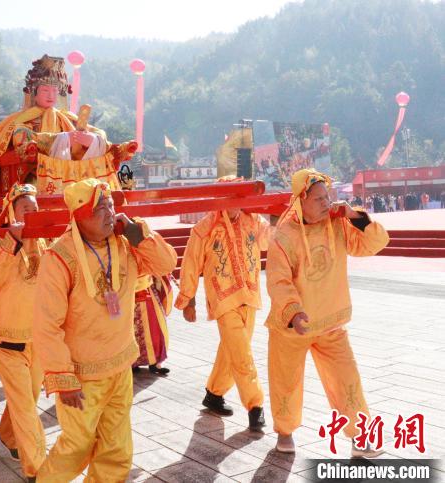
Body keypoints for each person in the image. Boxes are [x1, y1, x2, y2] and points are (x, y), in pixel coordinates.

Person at [33, 179, 177, 482]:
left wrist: (140, 235)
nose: (110, 213)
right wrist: (62, 377)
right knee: (76, 448)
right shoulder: (59, 257)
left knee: (117, 451)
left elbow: (165, 264)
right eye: (100, 208)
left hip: (120, 367)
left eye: (111, 205)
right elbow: (47, 325)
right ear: (79, 215)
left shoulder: (126, 243)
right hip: (82, 375)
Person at [265, 168, 389, 456]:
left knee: (347, 379)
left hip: (331, 323)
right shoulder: (283, 235)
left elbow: (374, 244)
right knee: (286, 382)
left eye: (328, 197)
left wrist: (354, 216)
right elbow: (278, 281)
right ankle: (285, 431)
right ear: (301, 200)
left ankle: (360, 439)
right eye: (319, 198)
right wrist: (293, 312)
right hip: (293, 327)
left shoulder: (338, 223)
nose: (326, 203)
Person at [175, 176, 270, 431]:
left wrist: (272, 215)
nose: (234, 203)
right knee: (242, 354)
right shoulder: (205, 228)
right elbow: (191, 263)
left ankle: (214, 394)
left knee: (233, 349)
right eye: (229, 197)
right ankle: (255, 405)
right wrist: (188, 299)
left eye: (238, 197)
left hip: (250, 295)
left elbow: (269, 241)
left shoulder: (253, 221)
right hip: (223, 299)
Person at [0, 183, 47, 481]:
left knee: (29, 398)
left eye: (35, 209)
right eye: (25, 209)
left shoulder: (45, 240)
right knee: (25, 407)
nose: (31, 214)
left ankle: (7, 433)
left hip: (38, 335)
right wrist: (12, 242)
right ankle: (38, 468)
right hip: (6, 337)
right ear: (11, 213)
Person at [131, 274, 173, 375]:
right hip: (128, 288)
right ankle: (132, 362)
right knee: (131, 328)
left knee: (155, 327)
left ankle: (155, 362)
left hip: (147, 286)